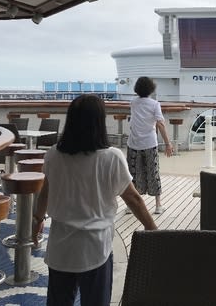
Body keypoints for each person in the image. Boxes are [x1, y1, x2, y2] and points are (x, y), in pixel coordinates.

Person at [32, 94, 157, 306]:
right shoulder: (111, 158)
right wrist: (153, 230)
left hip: (60, 248)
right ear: (99, 122)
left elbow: (46, 190)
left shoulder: (53, 154)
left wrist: (37, 220)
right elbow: (134, 199)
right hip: (95, 249)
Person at [127, 77, 173, 214]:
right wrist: (168, 144)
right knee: (153, 173)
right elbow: (160, 124)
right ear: (151, 89)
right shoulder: (155, 104)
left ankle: (131, 206)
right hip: (149, 143)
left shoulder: (133, 103)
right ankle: (158, 206)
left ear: (137, 89)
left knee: (133, 174)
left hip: (133, 143)